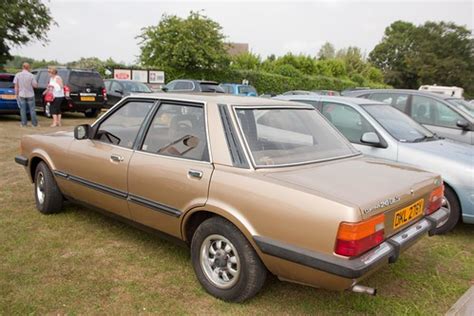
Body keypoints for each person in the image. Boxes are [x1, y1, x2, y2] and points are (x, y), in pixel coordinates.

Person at [13, 62, 38, 127]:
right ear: (28, 67)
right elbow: (35, 85)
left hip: (21, 94)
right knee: (32, 110)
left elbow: (16, 86)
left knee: (22, 110)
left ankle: (24, 124)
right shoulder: (31, 75)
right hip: (30, 94)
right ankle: (34, 124)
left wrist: (16, 94)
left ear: (22, 67)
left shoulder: (17, 75)